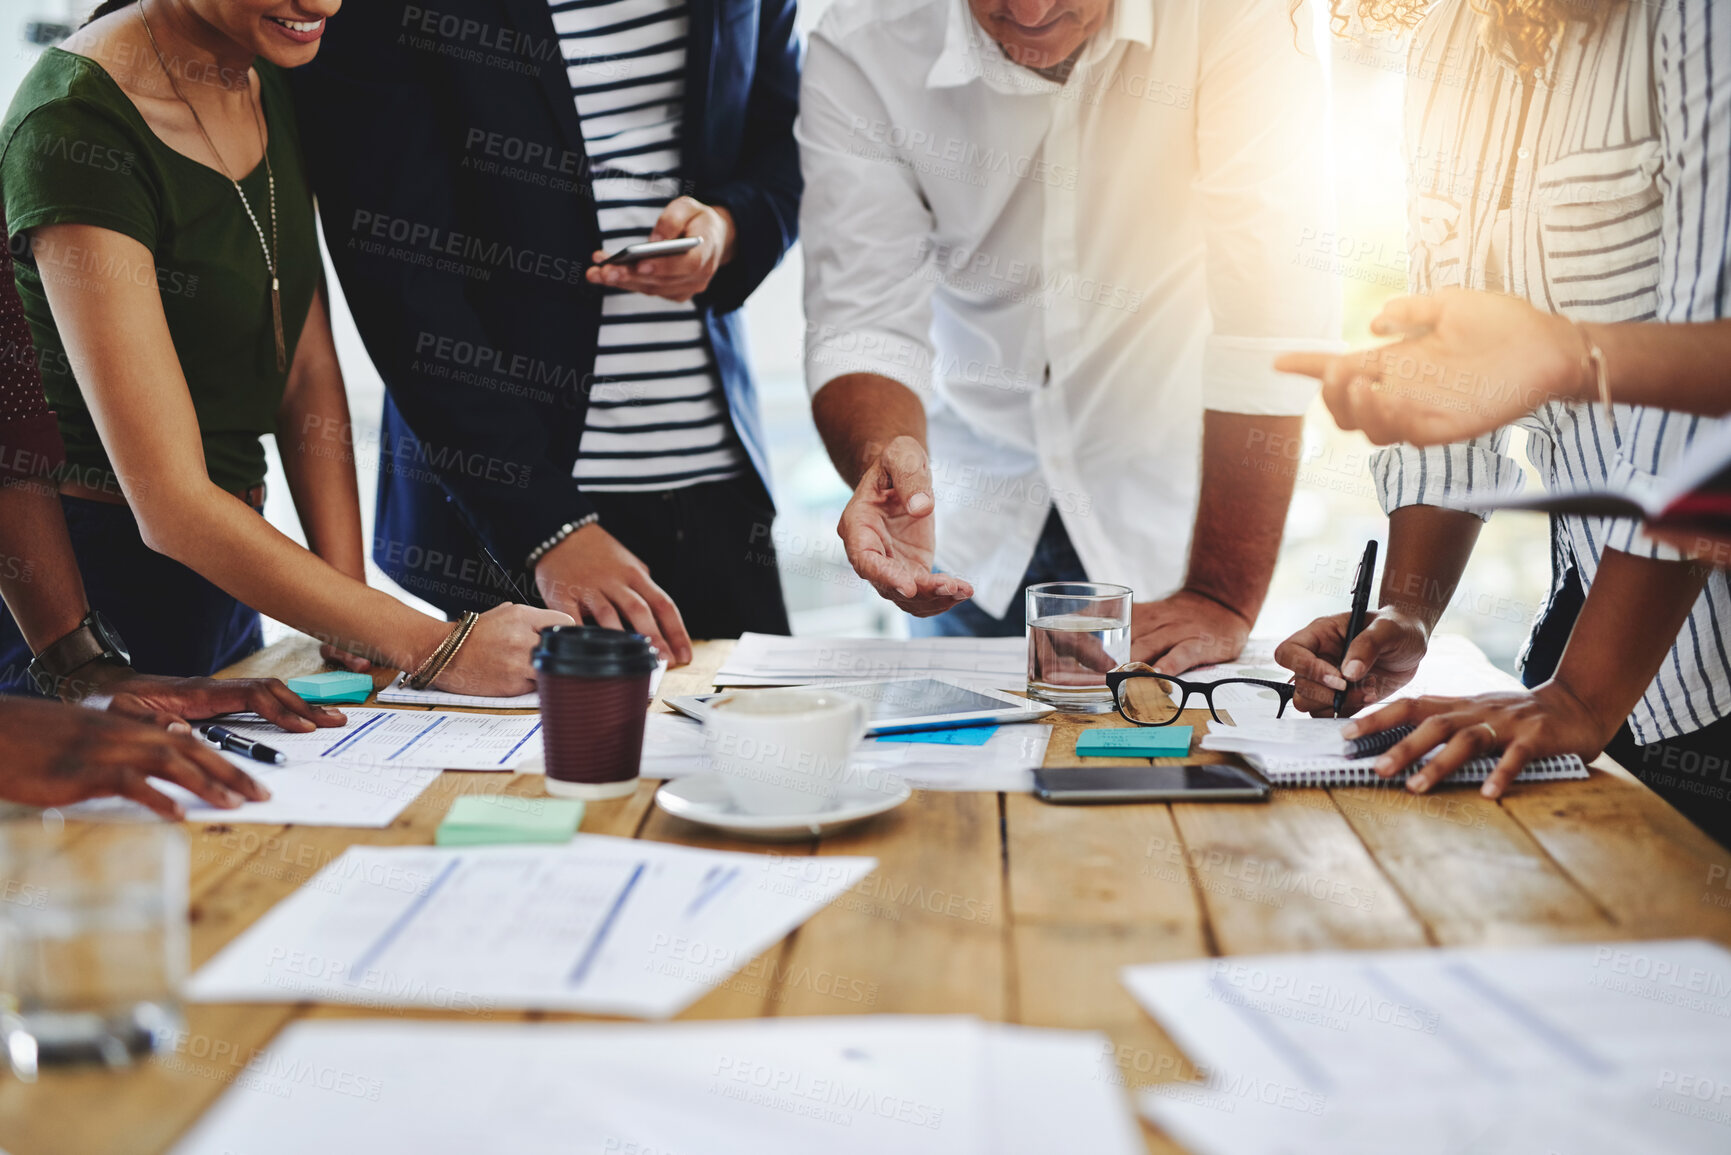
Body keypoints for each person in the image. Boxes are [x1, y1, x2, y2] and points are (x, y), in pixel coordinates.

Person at [0, 0, 569, 701]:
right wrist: (432, 644)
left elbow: (304, 367)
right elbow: (171, 505)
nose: (324, 4)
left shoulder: (266, 70)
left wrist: (352, 615)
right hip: (99, 596)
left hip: (232, 574)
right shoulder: (75, 126)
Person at [1272, 0, 1731, 848]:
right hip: (1585, 635)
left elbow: (1713, 416)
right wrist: (1405, 614)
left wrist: (1587, 695)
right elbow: (1454, 374)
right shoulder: (1453, 36)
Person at [797, 0, 1340, 673]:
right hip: (963, 518)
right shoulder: (863, 40)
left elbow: (1270, 312)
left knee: (1165, 765)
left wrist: (1221, 593)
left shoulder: (1239, 14)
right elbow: (861, 318)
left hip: (1183, 522)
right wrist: (884, 451)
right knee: (963, 771)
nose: (1028, 10)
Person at [288, 0, 803, 666]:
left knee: (754, 756)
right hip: (505, 508)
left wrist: (728, 229)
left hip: (719, 488)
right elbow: (402, 283)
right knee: (513, 771)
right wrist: (545, 528)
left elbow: (786, 141)